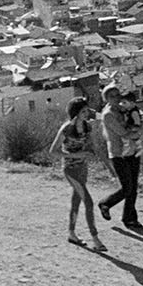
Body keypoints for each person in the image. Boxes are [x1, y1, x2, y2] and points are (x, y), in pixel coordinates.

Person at [48, 97, 110, 252]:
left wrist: (107, 165)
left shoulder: (87, 127)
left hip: (83, 169)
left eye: (86, 110)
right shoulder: (66, 129)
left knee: (76, 201)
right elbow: (53, 151)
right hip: (70, 170)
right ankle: (95, 239)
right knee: (88, 202)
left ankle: (72, 234)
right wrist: (77, 155)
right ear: (75, 113)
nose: (86, 113)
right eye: (83, 111)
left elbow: (93, 147)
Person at [98, 84, 143, 231]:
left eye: (118, 95)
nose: (117, 98)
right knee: (127, 187)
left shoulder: (122, 108)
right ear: (106, 98)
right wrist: (138, 132)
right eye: (112, 96)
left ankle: (130, 218)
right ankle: (106, 203)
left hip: (131, 151)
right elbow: (123, 132)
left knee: (133, 187)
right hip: (118, 154)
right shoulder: (108, 115)